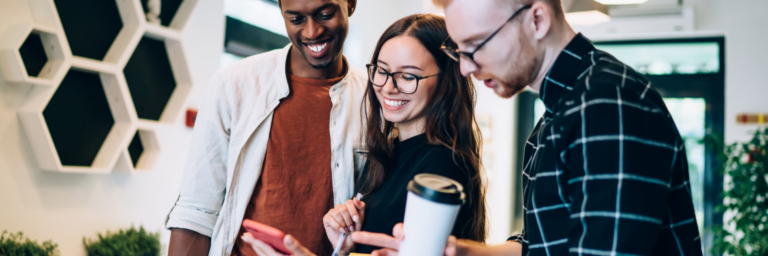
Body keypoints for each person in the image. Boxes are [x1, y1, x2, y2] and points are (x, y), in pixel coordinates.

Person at [352, 0, 703, 255]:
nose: (464, 68)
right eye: (459, 50)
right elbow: (543, 244)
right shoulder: (561, 110)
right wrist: (459, 253)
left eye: (477, 45)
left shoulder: (606, 104)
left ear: (536, 19)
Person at [240, 13, 488, 256]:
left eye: (408, 75)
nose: (388, 87)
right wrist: (346, 246)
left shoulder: (443, 166)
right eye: (382, 71)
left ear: (447, 80)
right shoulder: (385, 153)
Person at [164, 0, 367, 255]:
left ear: (350, 3)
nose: (312, 32)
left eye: (325, 14)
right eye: (296, 19)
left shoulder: (374, 98)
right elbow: (196, 211)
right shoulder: (232, 84)